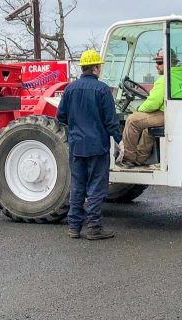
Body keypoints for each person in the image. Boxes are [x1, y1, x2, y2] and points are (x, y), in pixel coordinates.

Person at [56, 49, 121, 240]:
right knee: (96, 187)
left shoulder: (70, 89)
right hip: (97, 147)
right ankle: (94, 227)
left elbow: (61, 116)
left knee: (77, 186)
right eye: (99, 66)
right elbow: (111, 120)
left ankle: (74, 227)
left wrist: (77, 127)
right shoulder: (102, 90)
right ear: (95, 68)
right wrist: (119, 140)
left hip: (77, 146)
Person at [117, 49, 182, 168]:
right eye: (156, 62)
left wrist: (140, 109)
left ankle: (128, 158)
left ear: (169, 62)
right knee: (147, 126)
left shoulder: (164, 79)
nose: (156, 66)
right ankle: (140, 159)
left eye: (160, 63)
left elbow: (153, 103)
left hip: (167, 114)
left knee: (132, 120)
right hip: (177, 112)